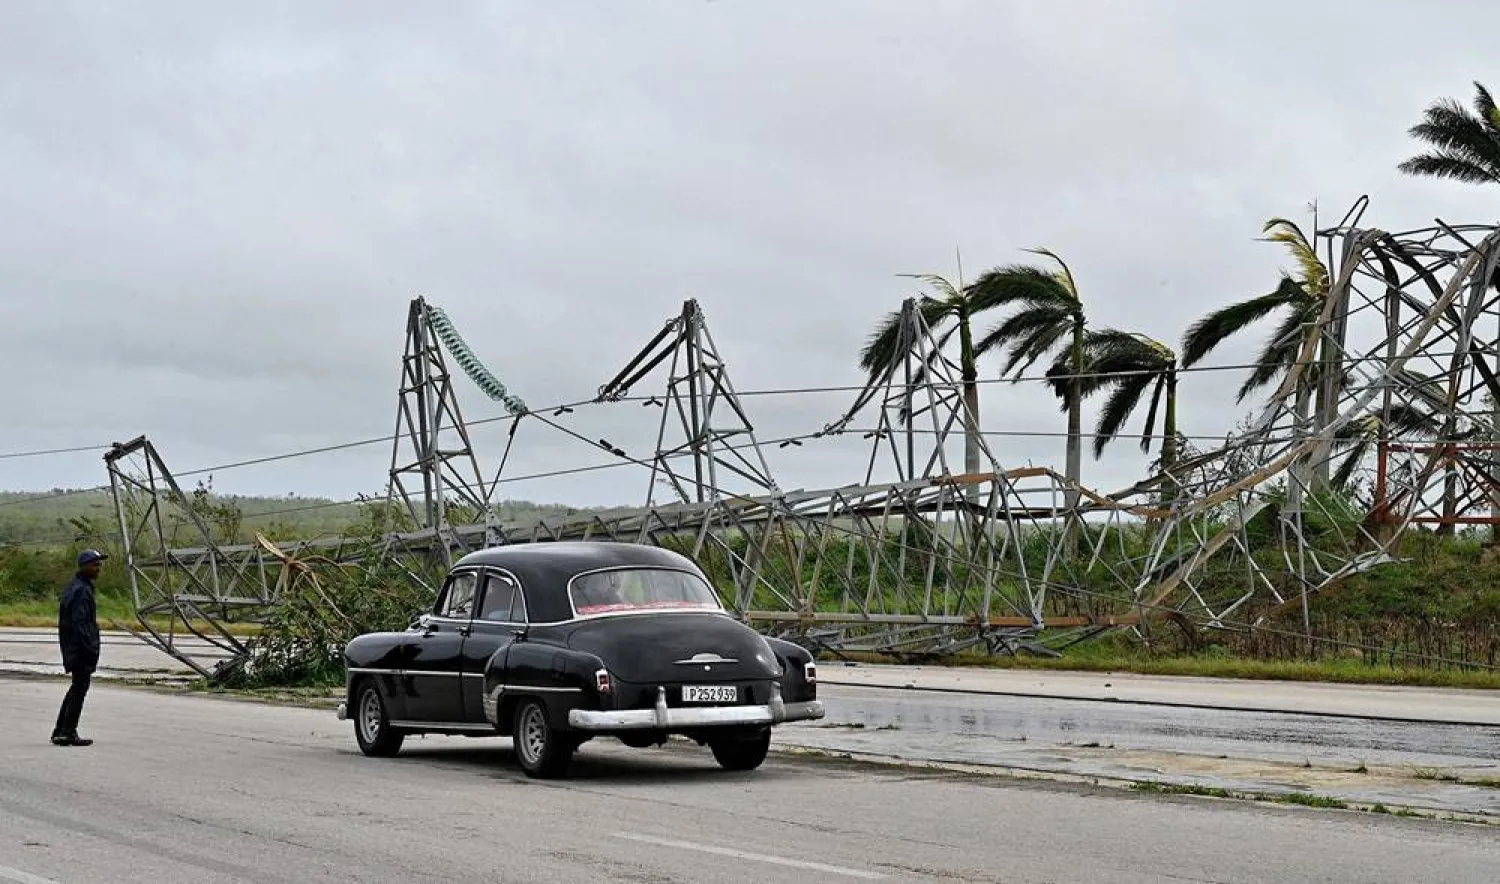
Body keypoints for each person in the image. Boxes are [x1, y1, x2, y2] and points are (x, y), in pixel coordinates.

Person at [53, 548, 106, 746]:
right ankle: (68, 731)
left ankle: (61, 730)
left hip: (73, 647)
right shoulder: (81, 591)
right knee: (80, 688)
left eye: (99, 564)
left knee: (76, 687)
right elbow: (81, 624)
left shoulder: (76, 587)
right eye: (95, 564)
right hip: (80, 649)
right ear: (84, 566)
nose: (98, 568)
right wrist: (91, 649)